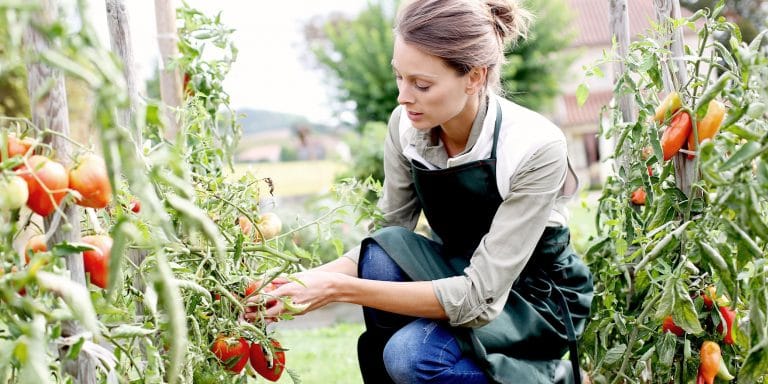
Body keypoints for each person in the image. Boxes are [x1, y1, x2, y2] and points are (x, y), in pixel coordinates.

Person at [245, 0, 593, 382]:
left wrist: (337, 289)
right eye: (399, 77)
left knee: (410, 355)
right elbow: (387, 236)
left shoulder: (534, 146)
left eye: (422, 85)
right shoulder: (406, 127)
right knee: (380, 254)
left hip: (533, 299)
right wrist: (294, 285)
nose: (403, 97)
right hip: (457, 269)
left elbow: (479, 298)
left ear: (474, 77)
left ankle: (552, 377)